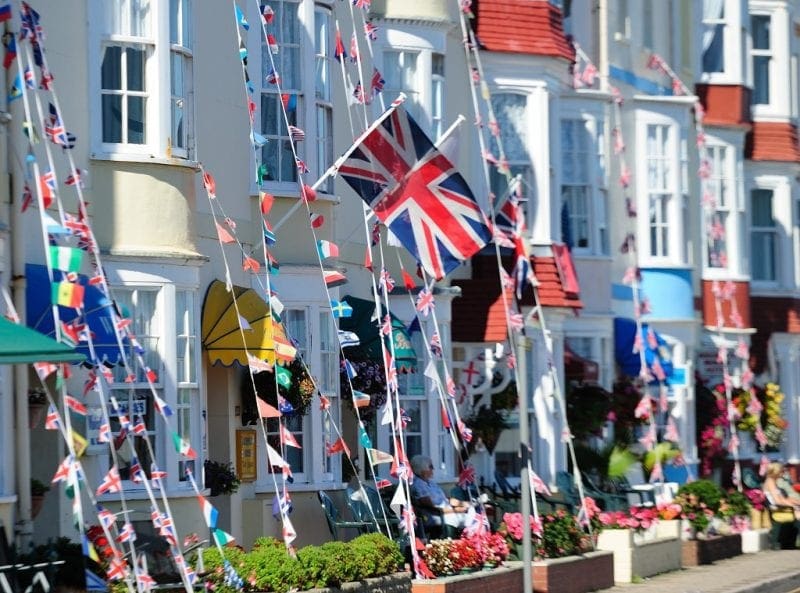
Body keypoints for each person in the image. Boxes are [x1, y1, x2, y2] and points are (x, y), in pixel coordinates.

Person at [410, 454, 470, 530]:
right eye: (430, 467)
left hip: (447, 511)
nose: (433, 469)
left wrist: (464, 504)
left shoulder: (431, 482)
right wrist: (457, 510)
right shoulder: (418, 485)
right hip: (435, 516)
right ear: (422, 470)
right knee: (469, 519)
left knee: (473, 513)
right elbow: (433, 509)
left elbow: (444, 499)